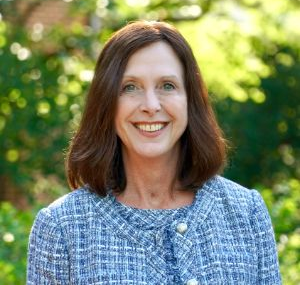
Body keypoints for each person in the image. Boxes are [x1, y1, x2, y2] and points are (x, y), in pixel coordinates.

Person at [27, 21, 281, 284]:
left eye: (167, 86)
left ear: (190, 100)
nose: (150, 105)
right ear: (107, 103)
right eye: (130, 87)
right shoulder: (62, 227)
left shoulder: (246, 213)